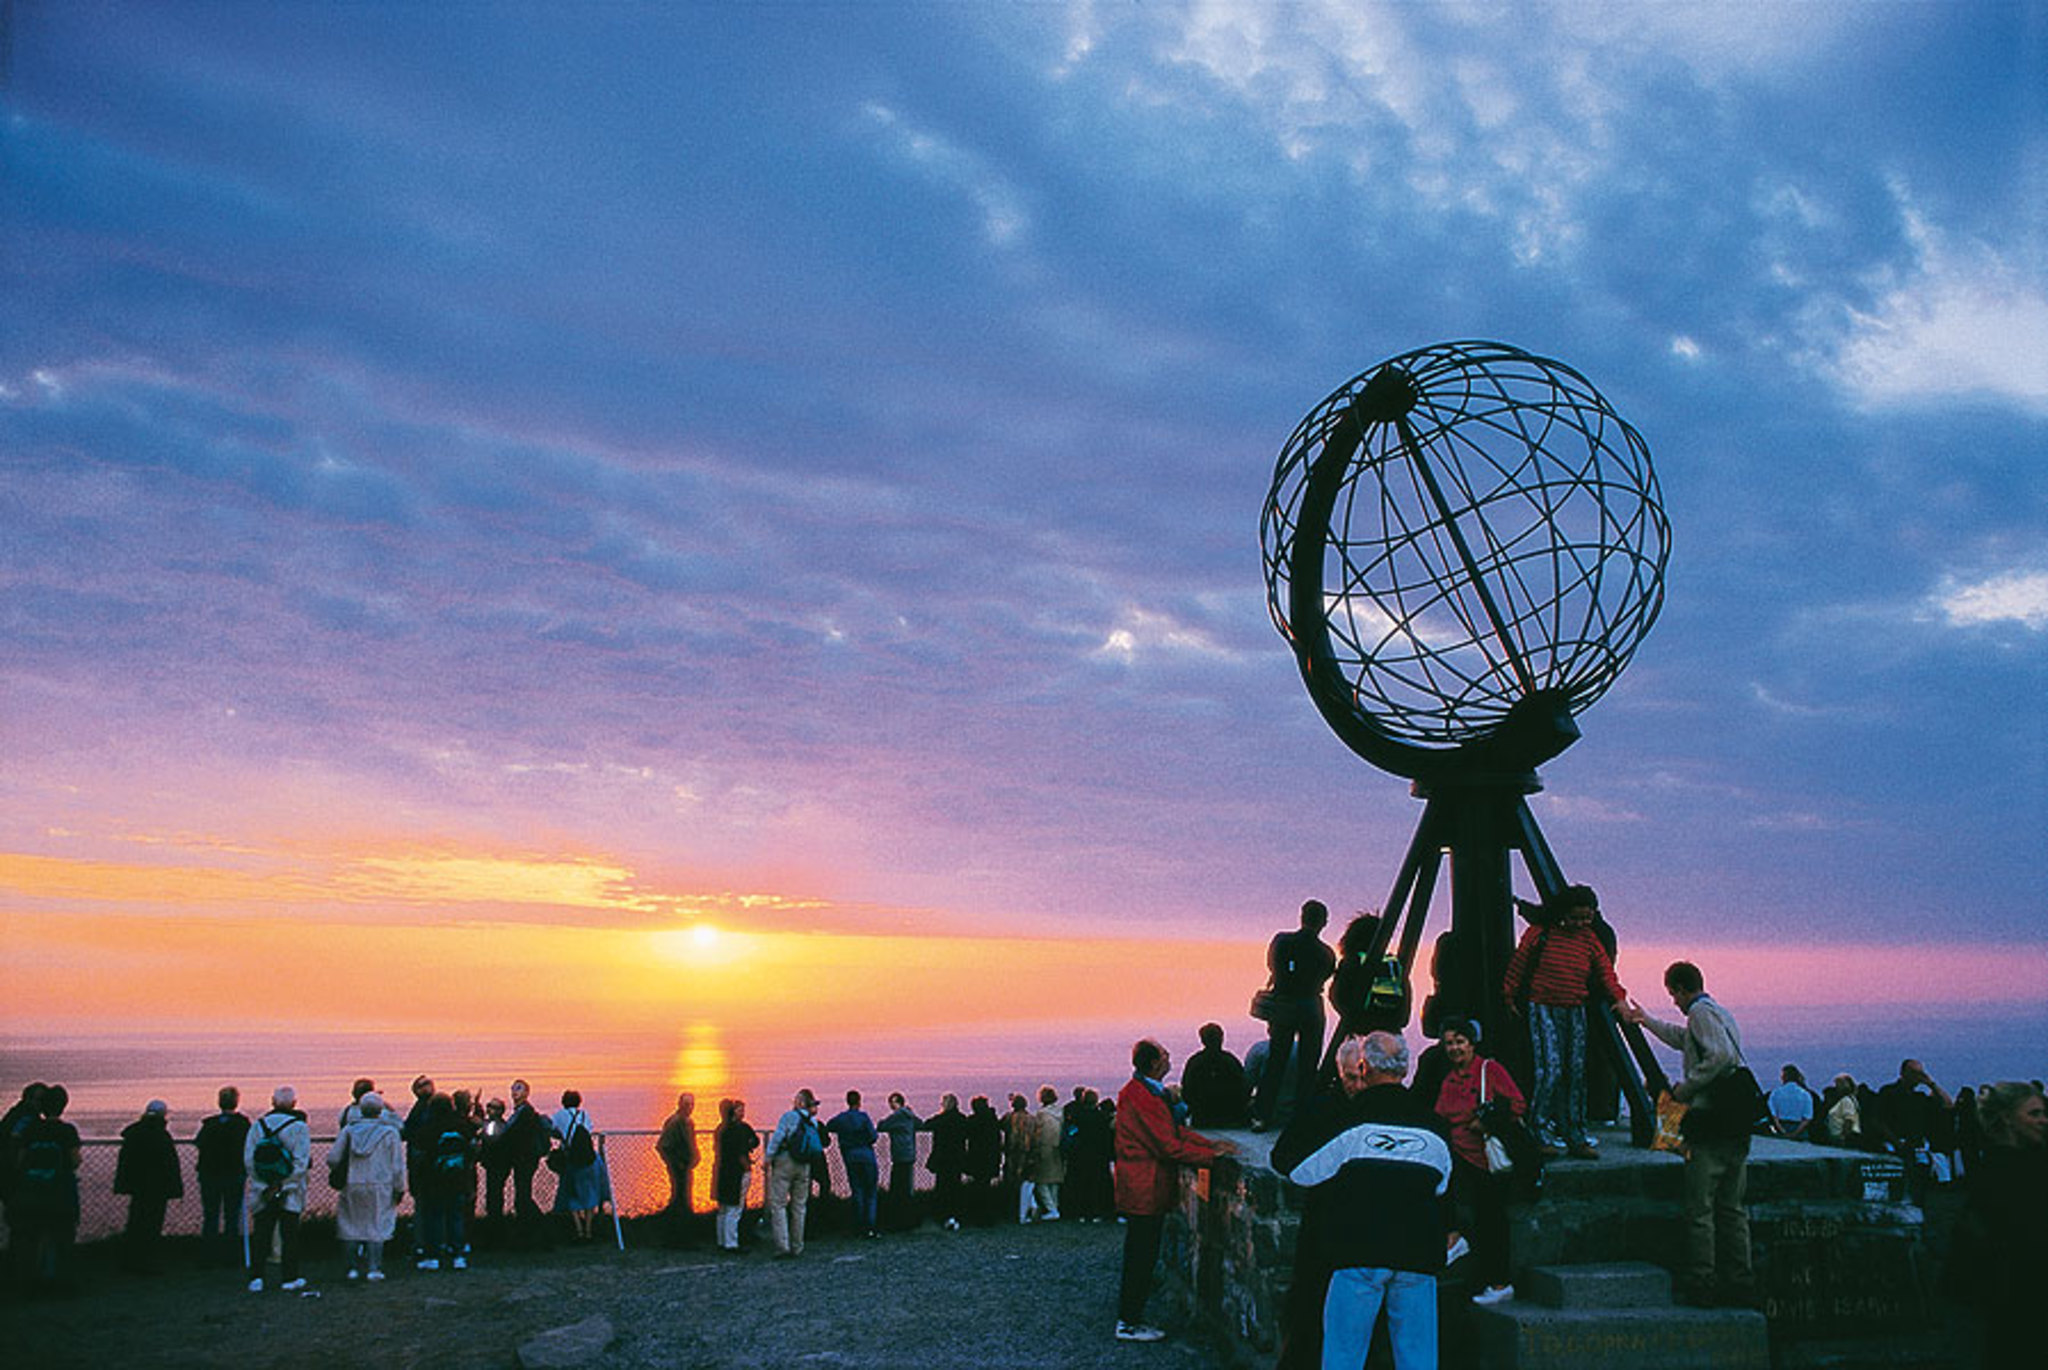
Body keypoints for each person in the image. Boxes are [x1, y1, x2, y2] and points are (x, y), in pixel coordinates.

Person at [1274, 1032, 1451, 1370]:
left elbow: (1298, 1170)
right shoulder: (1435, 1127)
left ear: (1364, 1066)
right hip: (1417, 1253)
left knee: (1344, 1355)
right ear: (1406, 1068)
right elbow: (1442, 1185)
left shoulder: (1347, 1121)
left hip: (1360, 1249)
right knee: (1418, 1357)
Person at [1622, 961, 1754, 1307]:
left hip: (1709, 1123)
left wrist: (1685, 1089)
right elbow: (1685, 1041)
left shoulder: (1699, 1014)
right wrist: (1647, 1020)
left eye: (1673, 995)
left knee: (1700, 1209)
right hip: (1735, 1128)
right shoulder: (1720, 1014)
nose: (1675, 1003)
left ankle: (1703, 1280)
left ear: (1681, 989)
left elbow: (1719, 1056)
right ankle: (1740, 1279)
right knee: (1733, 1208)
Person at [1113, 1037, 1239, 1343]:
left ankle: (1130, 1315)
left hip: (1143, 1184)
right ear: (1155, 1063)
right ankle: (1129, 1321)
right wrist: (1210, 1155)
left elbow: (1173, 1132)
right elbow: (1167, 1143)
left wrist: (1208, 1144)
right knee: (1141, 1255)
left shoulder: (1142, 1092)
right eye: (1165, 1055)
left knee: (1140, 1252)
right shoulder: (1142, 1097)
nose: (1170, 1059)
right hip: (1145, 1186)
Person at [1501, 885, 1628, 1160]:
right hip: (1543, 1007)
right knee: (1550, 1070)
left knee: (1575, 1073)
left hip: (1575, 1009)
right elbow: (1518, 964)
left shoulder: (1589, 939)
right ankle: (1540, 1131)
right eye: (1575, 918)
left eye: (1586, 918)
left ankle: (1575, 1134)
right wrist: (1509, 995)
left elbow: (1605, 971)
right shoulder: (1539, 934)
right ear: (1562, 914)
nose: (1580, 923)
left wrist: (1619, 998)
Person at [1431, 1017, 1524, 1307]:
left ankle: (1500, 1282)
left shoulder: (1489, 1070)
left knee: (1492, 1221)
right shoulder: (1449, 1079)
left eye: (1460, 1041)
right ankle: (1454, 1238)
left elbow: (1518, 1104)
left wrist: (1487, 1124)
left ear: (1472, 1043)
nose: (1454, 1048)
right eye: (1449, 1043)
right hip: (1459, 1154)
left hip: (1485, 1159)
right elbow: (1440, 1115)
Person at [1953, 1081, 2046, 1366]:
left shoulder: (2008, 1166)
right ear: (2006, 1118)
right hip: (2019, 1295)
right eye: (2034, 1114)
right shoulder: (2005, 1173)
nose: (2044, 1121)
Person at [1254, 900, 1337, 1131]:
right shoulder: (1326, 952)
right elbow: (1326, 975)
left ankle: (1263, 1115)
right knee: (1308, 1065)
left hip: (1283, 1004)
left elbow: (1272, 965)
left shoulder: (1282, 941)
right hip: (1311, 1005)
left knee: (1276, 1061)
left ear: (1301, 917)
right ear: (1324, 923)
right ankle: (1302, 1118)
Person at [9, 1084, 80, 1293]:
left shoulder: (30, 1129)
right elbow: (74, 1160)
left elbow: (20, 1159)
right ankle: (60, 1282)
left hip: (32, 1189)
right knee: (62, 1238)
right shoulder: (67, 1131)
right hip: (60, 1191)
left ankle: (29, 1283)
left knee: (31, 1238)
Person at [328, 1091, 405, 1281]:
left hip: (353, 1183)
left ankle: (352, 1268)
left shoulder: (349, 1130)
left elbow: (333, 1158)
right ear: (381, 1109)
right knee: (377, 1226)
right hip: (380, 1184)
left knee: (351, 1226)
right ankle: (374, 1268)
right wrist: (400, 1187)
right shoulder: (390, 1132)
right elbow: (397, 1165)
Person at [245, 1085, 312, 1293]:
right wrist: (284, 1185)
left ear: (272, 1102)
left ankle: (257, 1278)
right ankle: (289, 1277)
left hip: (262, 1190)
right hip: (290, 1191)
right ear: (294, 1103)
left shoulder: (258, 1125)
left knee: (261, 1233)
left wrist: (264, 1184)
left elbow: (249, 1159)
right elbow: (301, 1162)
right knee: (290, 1234)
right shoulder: (299, 1127)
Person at [114, 1099, 184, 1273]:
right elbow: (170, 1164)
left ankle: (130, 1261)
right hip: (157, 1187)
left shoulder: (134, 1134)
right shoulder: (162, 1135)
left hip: (137, 1186)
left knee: (135, 1222)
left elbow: (125, 1160)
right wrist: (175, 1188)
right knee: (153, 1225)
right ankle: (147, 1262)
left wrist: (123, 1183)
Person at [1327, 911, 1413, 1049]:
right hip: (1391, 1037)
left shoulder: (1351, 962)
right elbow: (1404, 1014)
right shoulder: (1394, 965)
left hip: (1359, 1035)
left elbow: (1337, 997)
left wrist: (1355, 1019)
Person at [194, 1086, 250, 1267]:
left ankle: (208, 1256)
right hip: (234, 1174)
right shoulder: (242, 1124)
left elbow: (199, 1143)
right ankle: (231, 1256)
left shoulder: (209, 1124)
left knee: (210, 1215)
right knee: (231, 1216)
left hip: (210, 1175)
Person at [417, 1092, 475, 1268]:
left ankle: (433, 1256)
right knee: (456, 1216)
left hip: (435, 1179)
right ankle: (458, 1255)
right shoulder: (462, 1126)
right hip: (458, 1178)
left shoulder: (429, 1128)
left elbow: (421, 1154)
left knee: (434, 1217)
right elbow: (470, 1150)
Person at [763, 1088, 822, 1257]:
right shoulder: (813, 1121)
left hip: (785, 1161)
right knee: (799, 1206)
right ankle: (798, 1245)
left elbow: (778, 1138)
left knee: (779, 1204)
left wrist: (768, 1158)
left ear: (799, 1102)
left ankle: (783, 1246)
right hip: (805, 1164)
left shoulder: (789, 1117)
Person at [549, 1089, 604, 1242]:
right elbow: (589, 1129)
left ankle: (578, 1230)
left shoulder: (560, 1115)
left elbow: (552, 1129)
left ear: (563, 1101)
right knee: (590, 1194)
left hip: (572, 1160)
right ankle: (589, 1231)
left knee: (573, 1194)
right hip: (590, 1159)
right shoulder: (584, 1115)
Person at [825, 1090, 880, 1237]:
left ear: (847, 1101)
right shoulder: (864, 1117)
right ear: (859, 1102)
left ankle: (858, 1227)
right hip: (867, 1156)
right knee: (871, 1192)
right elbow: (874, 1136)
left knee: (857, 1191)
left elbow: (829, 1125)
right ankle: (870, 1227)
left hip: (850, 1156)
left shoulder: (841, 1118)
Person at [502, 1079, 549, 1243]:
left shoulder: (525, 1113)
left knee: (522, 1195)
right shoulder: (521, 1111)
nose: (514, 1092)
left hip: (525, 1159)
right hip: (525, 1159)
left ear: (527, 1093)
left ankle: (534, 1231)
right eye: (513, 1089)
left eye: (519, 1089)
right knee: (522, 1193)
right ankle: (533, 1232)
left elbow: (514, 1135)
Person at [1182, 1023, 1252, 1129]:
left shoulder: (1195, 1062)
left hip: (1203, 1119)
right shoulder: (1230, 1061)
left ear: (1202, 1040)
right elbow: (1244, 1088)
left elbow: (1187, 1091)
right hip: (1231, 1118)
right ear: (1221, 1038)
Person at [712, 1098, 758, 1253]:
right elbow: (740, 1151)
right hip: (736, 1171)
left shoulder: (721, 1129)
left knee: (724, 1208)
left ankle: (721, 1240)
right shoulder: (737, 1130)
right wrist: (746, 1168)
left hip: (723, 1170)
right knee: (734, 1208)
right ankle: (731, 1243)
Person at [656, 1092, 700, 1247]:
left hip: (686, 1168)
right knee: (680, 1201)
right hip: (679, 1168)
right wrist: (675, 1164)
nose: (690, 1108)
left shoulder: (687, 1122)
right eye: (687, 1104)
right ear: (679, 1104)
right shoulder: (675, 1122)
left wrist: (694, 1158)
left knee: (684, 1200)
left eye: (692, 1104)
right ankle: (678, 1238)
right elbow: (662, 1146)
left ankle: (683, 1237)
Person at [923, 1093, 969, 1231]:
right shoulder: (962, 1119)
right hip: (958, 1159)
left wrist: (939, 1114)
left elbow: (927, 1124)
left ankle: (943, 1217)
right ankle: (955, 1217)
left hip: (943, 1159)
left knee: (942, 1189)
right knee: (955, 1188)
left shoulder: (941, 1119)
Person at [876, 1092, 921, 1230]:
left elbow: (882, 1125)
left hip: (900, 1155)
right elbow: (920, 1123)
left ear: (897, 1102)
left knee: (897, 1188)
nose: (890, 1105)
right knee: (907, 1187)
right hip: (910, 1154)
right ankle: (908, 1219)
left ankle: (899, 1220)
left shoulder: (898, 1115)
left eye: (892, 1102)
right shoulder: (909, 1115)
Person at [1029, 1084, 1068, 1223]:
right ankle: (1055, 1208)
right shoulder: (1061, 1112)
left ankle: (1051, 1209)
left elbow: (1037, 1134)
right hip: (1057, 1148)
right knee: (1054, 1181)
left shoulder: (1041, 1114)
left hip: (1045, 1149)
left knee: (1041, 1182)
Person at [1003, 1093, 1036, 1223]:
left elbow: (1002, 1126)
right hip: (1027, 1154)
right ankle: (1028, 1208)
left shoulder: (1009, 1117)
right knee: (1026, 1183)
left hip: (1012, 1153)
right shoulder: (1032, 1119)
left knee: (1011, 1183)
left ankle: (1011, 1211)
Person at [1768, 1065, 1817, 1141]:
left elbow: (1774, 1116)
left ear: (1784, 1077)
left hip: (1781, 1125)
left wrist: (1782, 1130)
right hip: (1799, 1127)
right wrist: (1795, 1133)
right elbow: (1807, 1118)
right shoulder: (1805, 1094)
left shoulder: (1775, 1093)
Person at [1822, 1073, 1864, 1148]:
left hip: (1842, 1138)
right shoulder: (1844, 1100)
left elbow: (1849, 1120)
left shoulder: (1846, 1101)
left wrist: (1843, 1136)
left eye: (1839, 1084)